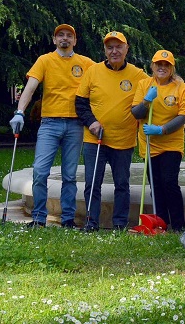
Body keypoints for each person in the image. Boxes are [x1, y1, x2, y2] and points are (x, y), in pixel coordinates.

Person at [10, 24, 95, 228]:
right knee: (40, 171)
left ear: (75, 41)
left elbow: (105, 79)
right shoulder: (45, 60)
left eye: (69, 36)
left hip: (75, 124)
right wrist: (20, 112)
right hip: (49, 123)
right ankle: (39, 217)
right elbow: (31, 87)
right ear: (54, 40)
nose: (64, 38)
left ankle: (67, 219)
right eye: (60, 35)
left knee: (69, 175)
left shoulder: (86, 63)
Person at [76, 31, 146, 231]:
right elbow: (80, 104)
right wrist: (91, 122)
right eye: (110, 47)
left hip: (123, 140)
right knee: (92, 183)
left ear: (126, 49)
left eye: (118, 47)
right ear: (105, 50)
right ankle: (91, 222)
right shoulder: (93, 71)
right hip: (94, 138)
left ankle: (120, 223)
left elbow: (157, 86)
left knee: (122, 185)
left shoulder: (138, 75)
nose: (114, 51)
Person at [131, 50, 185, 232]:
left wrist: (162, 130)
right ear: (152, 66)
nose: (162, 68)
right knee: (155, 184)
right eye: (159, 64)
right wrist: (146, 101)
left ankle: (179, 225)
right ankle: (161, 225)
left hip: (171, 143)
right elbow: (136, 113)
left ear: (172, 68)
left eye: (166, 65)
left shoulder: (181, 87)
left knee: (169, 181)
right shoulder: (143, 84)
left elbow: (183, 116)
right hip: (149, 144)